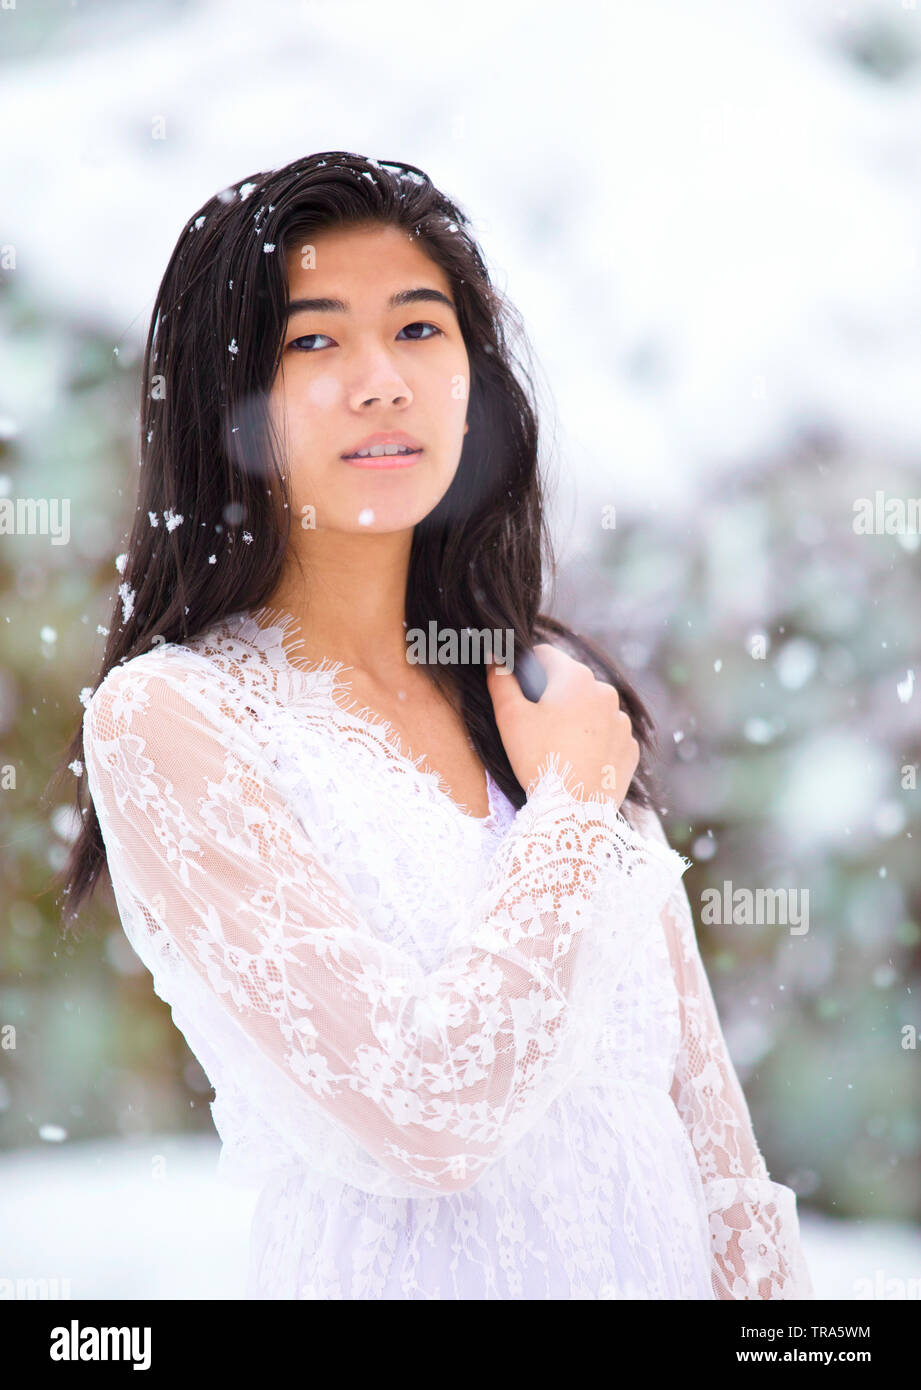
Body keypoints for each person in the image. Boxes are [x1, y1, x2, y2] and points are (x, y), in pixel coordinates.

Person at [55, 152, 814, 1300]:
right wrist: (565, 811)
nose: (381, 381)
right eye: (314, 340)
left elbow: (719, 1164)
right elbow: (424, 1116)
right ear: (226, 402)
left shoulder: (549, 692)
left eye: (420, 329)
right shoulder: (174, 717)